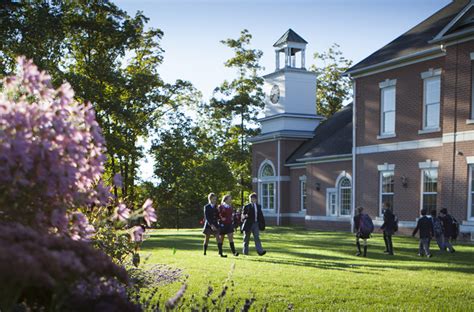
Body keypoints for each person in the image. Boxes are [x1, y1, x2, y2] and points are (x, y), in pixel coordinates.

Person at [202, 193, 226, 257]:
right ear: (210, 199)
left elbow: (218, 215)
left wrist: (221, 218)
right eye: (213, 199)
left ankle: (220, 253)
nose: (215, 200)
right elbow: (207, 217)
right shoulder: (206, 207)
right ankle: (204, 252)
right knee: (207, 238)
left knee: (218, 238)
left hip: (216, 224)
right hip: (208, 224)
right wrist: (211, 225)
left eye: (215, 199)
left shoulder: (216, 207)